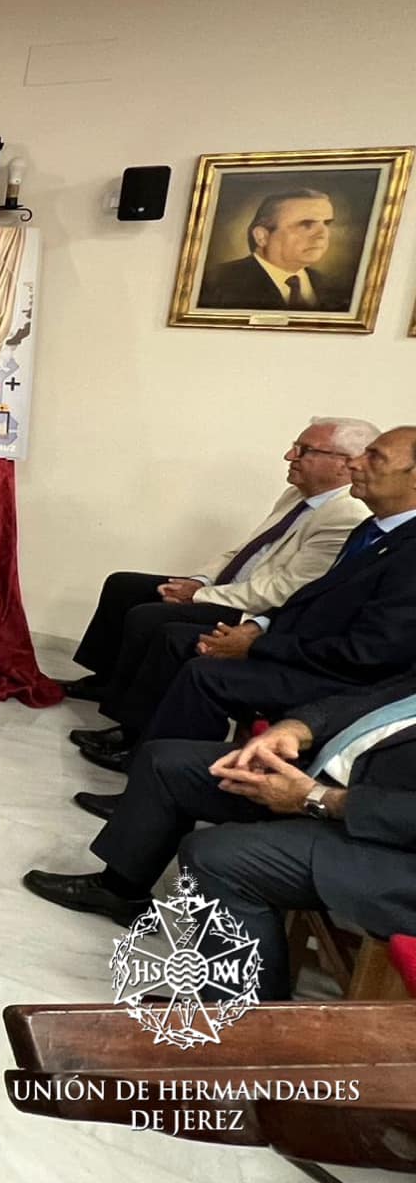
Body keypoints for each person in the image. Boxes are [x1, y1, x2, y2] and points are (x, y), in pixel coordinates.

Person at [22, 669, 416, 997]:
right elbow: (372, 698)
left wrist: (316, 799)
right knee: (166, 762)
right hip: (335, 780)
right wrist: (295, 729)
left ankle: (250, 1033)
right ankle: (119, 890)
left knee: (217, 859)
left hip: (391, 848)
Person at [82, 426, 416, 774]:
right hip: (307, 645)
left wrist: (258, 645)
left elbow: (368, 654)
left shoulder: (396, 544)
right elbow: (309, 598)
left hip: (347, 680)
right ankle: (145, 754)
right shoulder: (375, 529)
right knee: (166, 624)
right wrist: (258, 627)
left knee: (202, 669)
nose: (357, 463)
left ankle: (166, 776)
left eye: (374, 456)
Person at [198, 189, 353, 311]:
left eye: (327, 224)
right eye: (306, 224)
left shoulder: (335, 289)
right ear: (262, 236)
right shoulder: (215, 283)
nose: (323, 235)